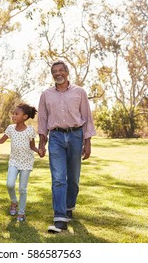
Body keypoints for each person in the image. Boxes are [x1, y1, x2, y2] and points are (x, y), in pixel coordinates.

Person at [37, 60, 96, 233]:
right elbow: (42, 120)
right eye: (54, 71)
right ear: (52, 74)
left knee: (73, 178)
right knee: (58, 178)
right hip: (55, 137)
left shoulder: (80, 92)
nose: (58, 73)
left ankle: (69, 206)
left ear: (67, 72)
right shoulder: (46, 94)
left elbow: (87, 117)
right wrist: (42, 142)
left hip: (76, 135)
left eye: (61, 70)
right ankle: (60, 218)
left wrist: (88, 142)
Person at [0, 103, 39, 222]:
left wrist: (40, 151)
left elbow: (32, 146)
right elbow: (1, 141)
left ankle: (21, 213)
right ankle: (13, 201)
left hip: (27, 163)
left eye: (17, 114)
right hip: (14, 161)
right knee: (9, 184)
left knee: (23, 188)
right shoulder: (10, 128)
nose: (13, 116)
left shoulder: (30, 130)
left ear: (25, 116)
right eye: (13, 113)